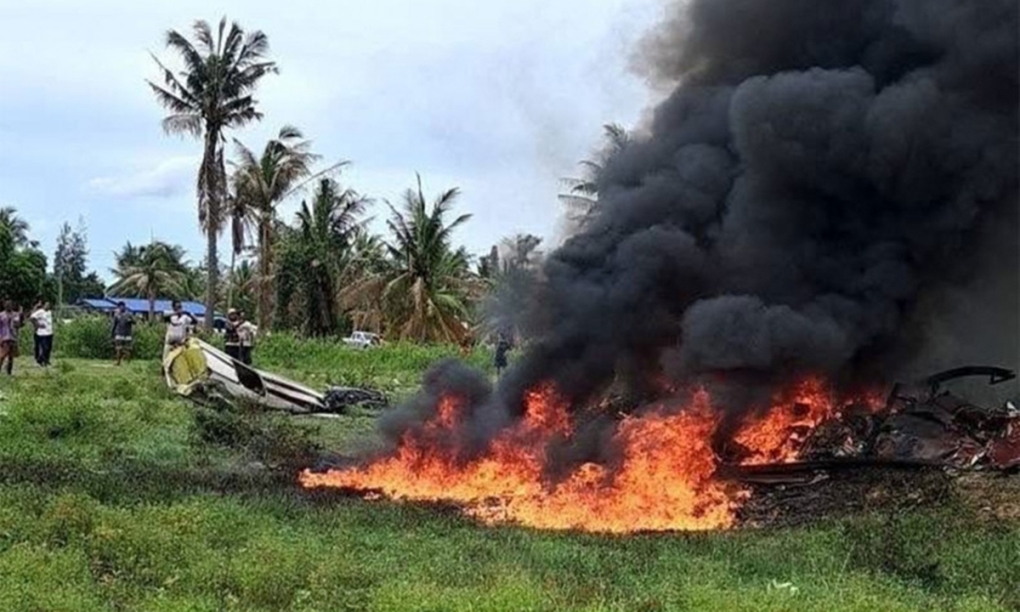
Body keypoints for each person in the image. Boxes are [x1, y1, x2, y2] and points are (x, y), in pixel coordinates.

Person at [0, 301, 23, 376]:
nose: (8, 306)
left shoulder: (15, 314)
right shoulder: (1, 315)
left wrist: (20, 316)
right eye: (7, 305)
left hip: (13, 337)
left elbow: (19, 325)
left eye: (10, 305)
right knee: (3, 355)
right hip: (4, 337)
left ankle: (9, 372)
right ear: (4, 306)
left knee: (11, 356)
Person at [29, 301, 54, 367]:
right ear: (44, 305)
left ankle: (46, 360)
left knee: (49, 348)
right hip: (42, 333)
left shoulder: (49, 312)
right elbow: (32, 318)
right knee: (44, 347)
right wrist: (38, 324)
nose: (47, 306)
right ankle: (40, 360)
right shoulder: (40, 312)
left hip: (49, 332)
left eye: (49, 305)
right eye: (46, 305)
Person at [111, 301, 135, 366]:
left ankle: (128, 362)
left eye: (123, 306)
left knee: (128, 348)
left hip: (127, 334)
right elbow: (114, 325)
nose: (122, 308)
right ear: (118, 307)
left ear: (125, 307)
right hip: (119, 333)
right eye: (120, 306)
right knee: (118, 348)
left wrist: (130, 321)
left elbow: (134, 322)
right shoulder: (117, 315)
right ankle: (118, 362)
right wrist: (112, 333)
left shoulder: (129, 315)